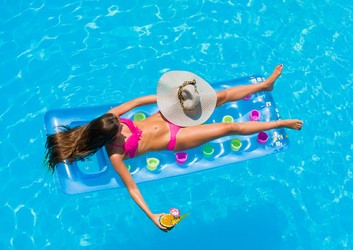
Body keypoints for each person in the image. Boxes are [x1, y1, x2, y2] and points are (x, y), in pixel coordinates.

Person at [44, 64, 303, 231]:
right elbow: (132, 187)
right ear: (109, 136)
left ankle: (264, 85)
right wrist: (152, 215)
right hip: (176, 139)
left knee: (218, 97)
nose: (119, 121)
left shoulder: (110, 117)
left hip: (169, 115)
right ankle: (280, 123)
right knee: (229, 129)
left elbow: (135, 102)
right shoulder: (116, 155)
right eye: (117, 126)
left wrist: (168, 100)